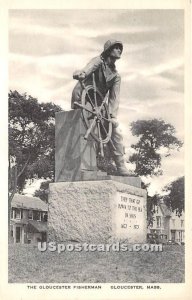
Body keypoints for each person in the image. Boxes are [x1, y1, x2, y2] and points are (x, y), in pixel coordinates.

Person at [71, 39, 130, 176]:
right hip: (84, 98)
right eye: (116, 48)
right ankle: (89, 167)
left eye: (120, 48)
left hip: (99, 105)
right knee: (93, 131)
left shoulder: (116, 76)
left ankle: (121, 166)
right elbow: (88, 69)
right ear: (109, 50)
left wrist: (112, 116)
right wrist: (82, 73)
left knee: (115, 132)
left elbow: (114, 98)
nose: (119, 50)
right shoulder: (98, 61)